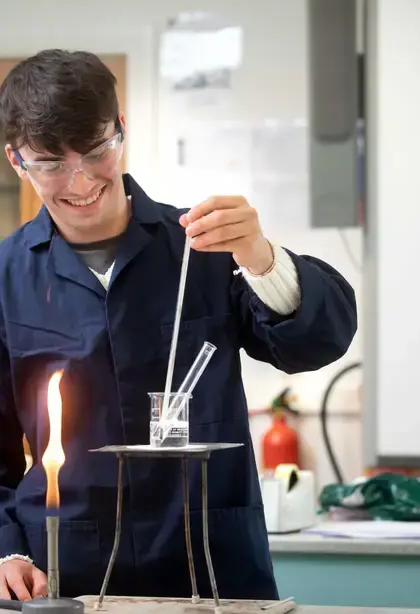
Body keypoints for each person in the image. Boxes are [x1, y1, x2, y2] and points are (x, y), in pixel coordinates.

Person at [0, 49, 357, 603]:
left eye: (95, 150)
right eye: (49, 162)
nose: (79, 180)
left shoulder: (206, 245)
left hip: (212, 563)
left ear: (120, 130)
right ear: (17, 161)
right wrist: (6, 547)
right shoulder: (5, 278)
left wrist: (261, 257)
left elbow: (319, 340)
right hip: (67, 570)